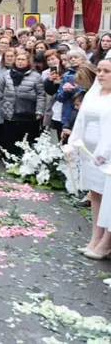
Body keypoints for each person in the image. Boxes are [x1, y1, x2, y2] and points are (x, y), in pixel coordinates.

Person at [69, 59, 111, 259]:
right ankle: (95, 237)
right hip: (90, 151)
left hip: (106, 155)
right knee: (95, 194)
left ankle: (106, 242)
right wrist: (73, 142)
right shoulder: (93, 95)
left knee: (109, 198)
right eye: (100, 70)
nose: (101, 74)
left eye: (107, 71)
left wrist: (104, 152)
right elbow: (81, 120)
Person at [0, 50, 45, 157]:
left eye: (23, 59)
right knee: (10, 140)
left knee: (25, 142)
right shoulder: (7, 75)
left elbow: (41, 95)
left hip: (27, 114)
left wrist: (39, 111)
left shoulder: (36, 76)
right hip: (10, 113)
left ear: (28, 61)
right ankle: (11, 162)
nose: (20, 62)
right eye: (18, 59)